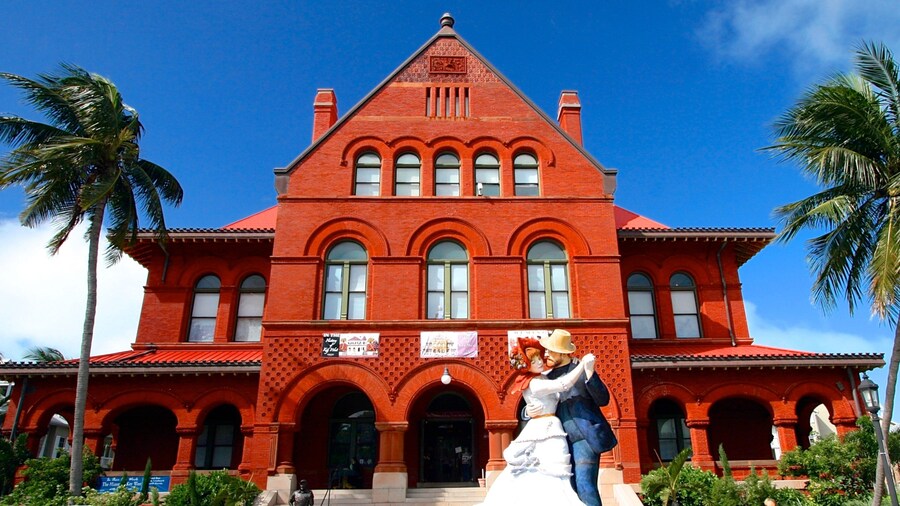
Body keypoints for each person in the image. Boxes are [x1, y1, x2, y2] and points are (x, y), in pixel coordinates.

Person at [477, 337, 593, 505]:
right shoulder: (534, 384)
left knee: (556, 466)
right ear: (525, 365)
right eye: (534, 360)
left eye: (539, 358)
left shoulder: (542, 378)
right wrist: (582, 365)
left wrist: (573, 362)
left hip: (551, 426)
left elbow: (559, 374)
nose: (540, 362)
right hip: (544, 429)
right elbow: (563, 384)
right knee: (552, 467)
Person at [542, 329, 617, 506]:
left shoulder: (581, 370)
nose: (546, 354)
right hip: (559, 439)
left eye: (550, 350)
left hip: (584, 438)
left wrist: (590, 373)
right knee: (569, 488)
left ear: (561, 352)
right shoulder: (546, 378)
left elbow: (603, 399)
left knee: (585, 486)